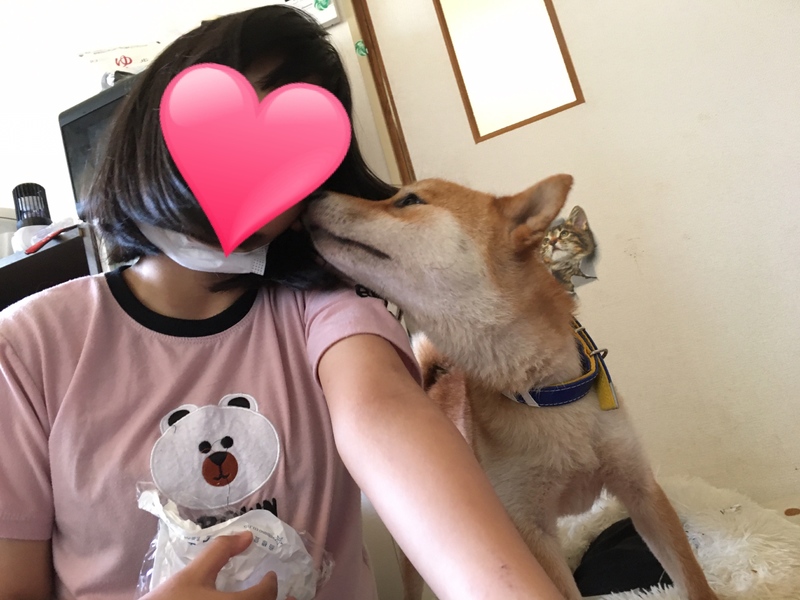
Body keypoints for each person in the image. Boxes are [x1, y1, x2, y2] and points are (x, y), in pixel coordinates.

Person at [0, 5, 565, 600]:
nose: (247, 171)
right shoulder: (25, 348)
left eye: (291, 155)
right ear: (154, 124)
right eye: (220, 129)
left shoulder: (331, 312)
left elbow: (386, 415)